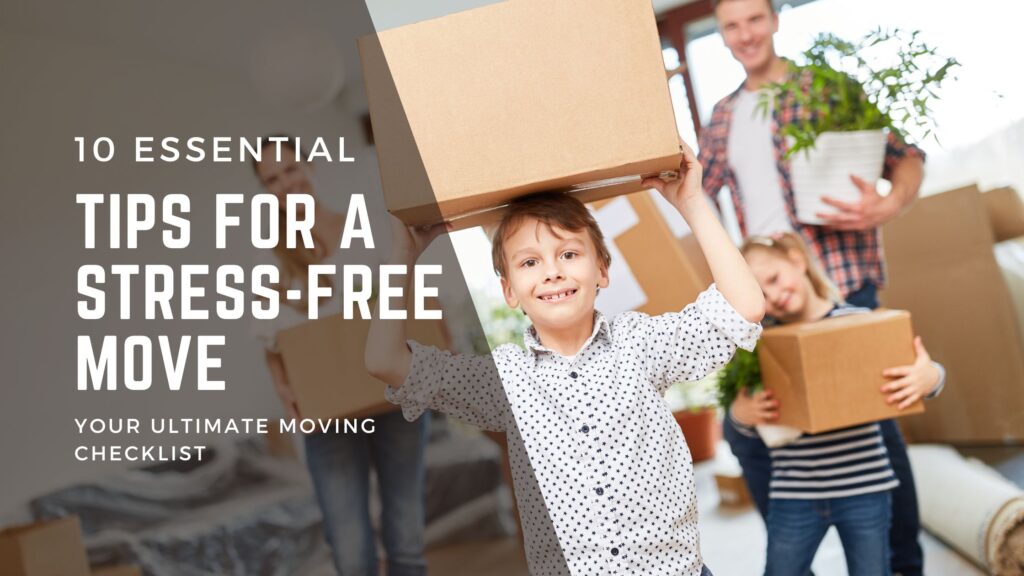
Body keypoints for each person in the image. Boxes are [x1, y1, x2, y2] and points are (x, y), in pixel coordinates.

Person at [365, 144, 764, 576]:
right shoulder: (506, 379)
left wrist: (692, 203)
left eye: (569, 254)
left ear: (602, 271)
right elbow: (384, 359)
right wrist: (401, 257)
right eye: (530, 262)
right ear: (509, 292)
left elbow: (742, 307)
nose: (552, 271)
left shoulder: (639, 343)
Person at [701, 1, 928, 574]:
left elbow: (905, 158)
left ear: (774, 19)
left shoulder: (828, 88)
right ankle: (793, 547)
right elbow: (695, 196)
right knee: (748, 423)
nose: (745, 34)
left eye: (754, 18)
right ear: (722, 35)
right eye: (732, 25)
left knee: (876, 426)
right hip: (767, 299)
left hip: (840, 284)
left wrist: (888, 202)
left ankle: (902, 565)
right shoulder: (723, 117)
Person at [251, 135, 429, 576]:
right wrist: (284, 391)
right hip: (327, 413)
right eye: (271, 179)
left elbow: (402, 294)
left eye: (291, 169)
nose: (285, 184)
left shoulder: (359, 226)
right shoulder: (267, 255)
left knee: (406, 540)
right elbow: (270, 341)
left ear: (311, 167)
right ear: (264, 190)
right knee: (351, 555)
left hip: (394, 393)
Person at [731, 232, 944, 576]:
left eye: (773, 279)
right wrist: (742, 415)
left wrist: (929, 376)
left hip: (866, 489)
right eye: (761, 294)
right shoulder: (761, 346)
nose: (774, 296)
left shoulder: (859, 321)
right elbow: (741, 415)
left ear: (797, 261)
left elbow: (926, 370)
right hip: (794, 492)